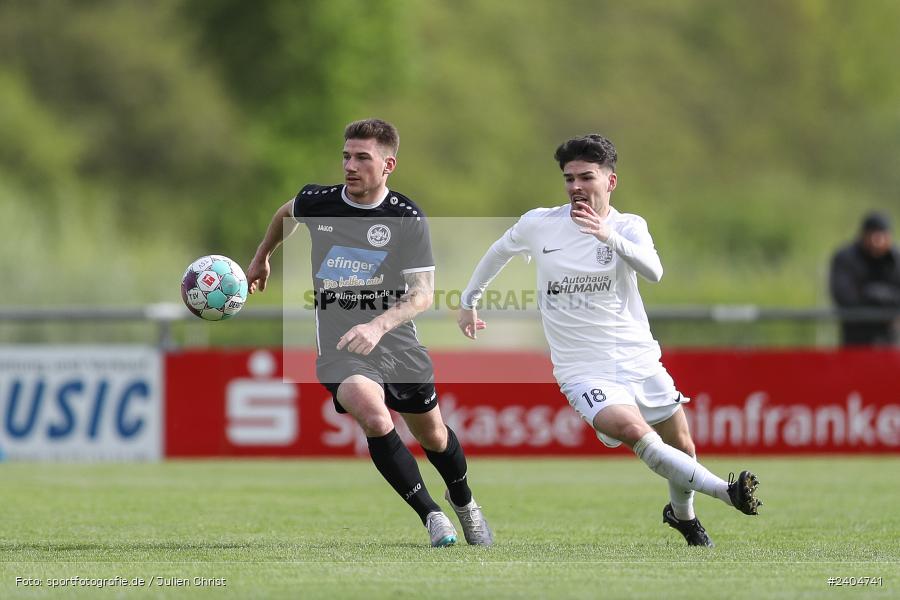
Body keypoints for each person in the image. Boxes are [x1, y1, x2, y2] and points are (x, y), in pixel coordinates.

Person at [458, 134, 761, 547]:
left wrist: (606, 236)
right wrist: (468, 301)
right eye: (569, 179)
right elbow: (497, 251)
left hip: (638, 359)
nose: (576, 186)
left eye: (586, 177)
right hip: (582, 369)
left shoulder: (628, 226)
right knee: (635, 431)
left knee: (683, 447)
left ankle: (683, 516)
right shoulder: (539, 224)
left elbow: (654, 271)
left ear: (610, 181)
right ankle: (727, 493)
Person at [247, 118, 492, 547]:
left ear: (388, 165)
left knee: (433, 435)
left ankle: (463, 500)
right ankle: (432, 516)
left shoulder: (406, 217)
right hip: (341, 348)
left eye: (362, 158)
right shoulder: (319, 201)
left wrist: (378, 325)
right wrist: (262, 256)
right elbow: (285, 213)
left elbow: (423, 295)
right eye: (346, 156)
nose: (350, 166)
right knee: (375, 417)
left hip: (396, 342)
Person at [829, 212, 900, 346]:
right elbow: (845, 298)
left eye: (882, 235)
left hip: (890, 342)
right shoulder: (846, 258)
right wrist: (886, 309)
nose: (877, 241)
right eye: (872, 234)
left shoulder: (896, 260)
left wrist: (874, 293)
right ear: (862, 235)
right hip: (855, 341)